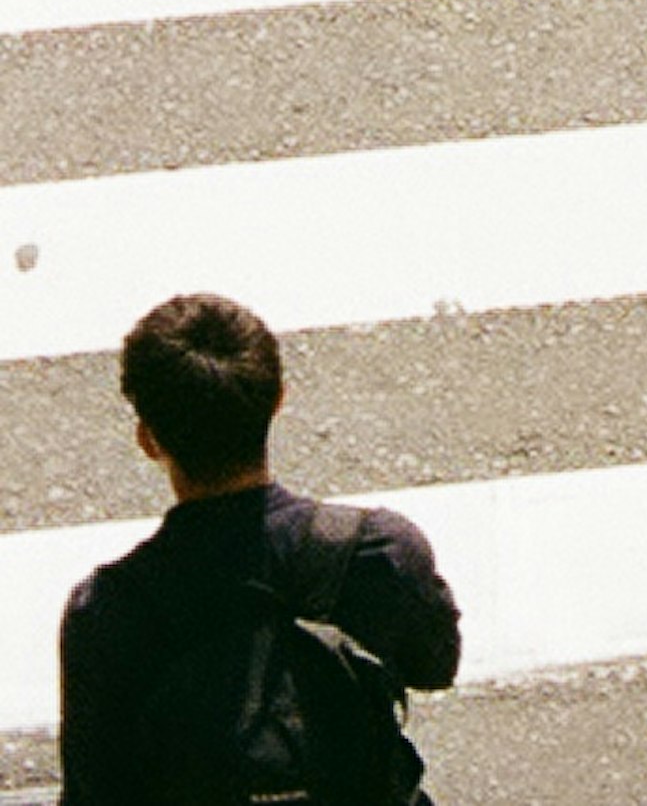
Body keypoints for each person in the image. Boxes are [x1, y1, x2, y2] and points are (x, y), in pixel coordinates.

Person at [57, 289, 460, 805]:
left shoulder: (109, 610)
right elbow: (434, 666)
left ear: (149, 439)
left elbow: (96, 790)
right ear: (277, 400)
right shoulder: (376, 552)